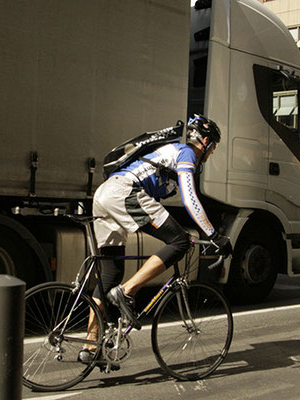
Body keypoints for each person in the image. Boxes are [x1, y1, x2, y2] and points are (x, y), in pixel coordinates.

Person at [80, 114, 231, 365]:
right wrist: (213, 235)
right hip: (124, 192)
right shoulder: (186, 153)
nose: (212, 153)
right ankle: (127, 292)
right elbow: (190, 198)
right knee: (180, 241)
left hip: (104, 194)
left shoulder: (168, 152)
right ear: (205, 141)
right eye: (213, 147)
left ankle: (90, 344)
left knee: (108, 274)